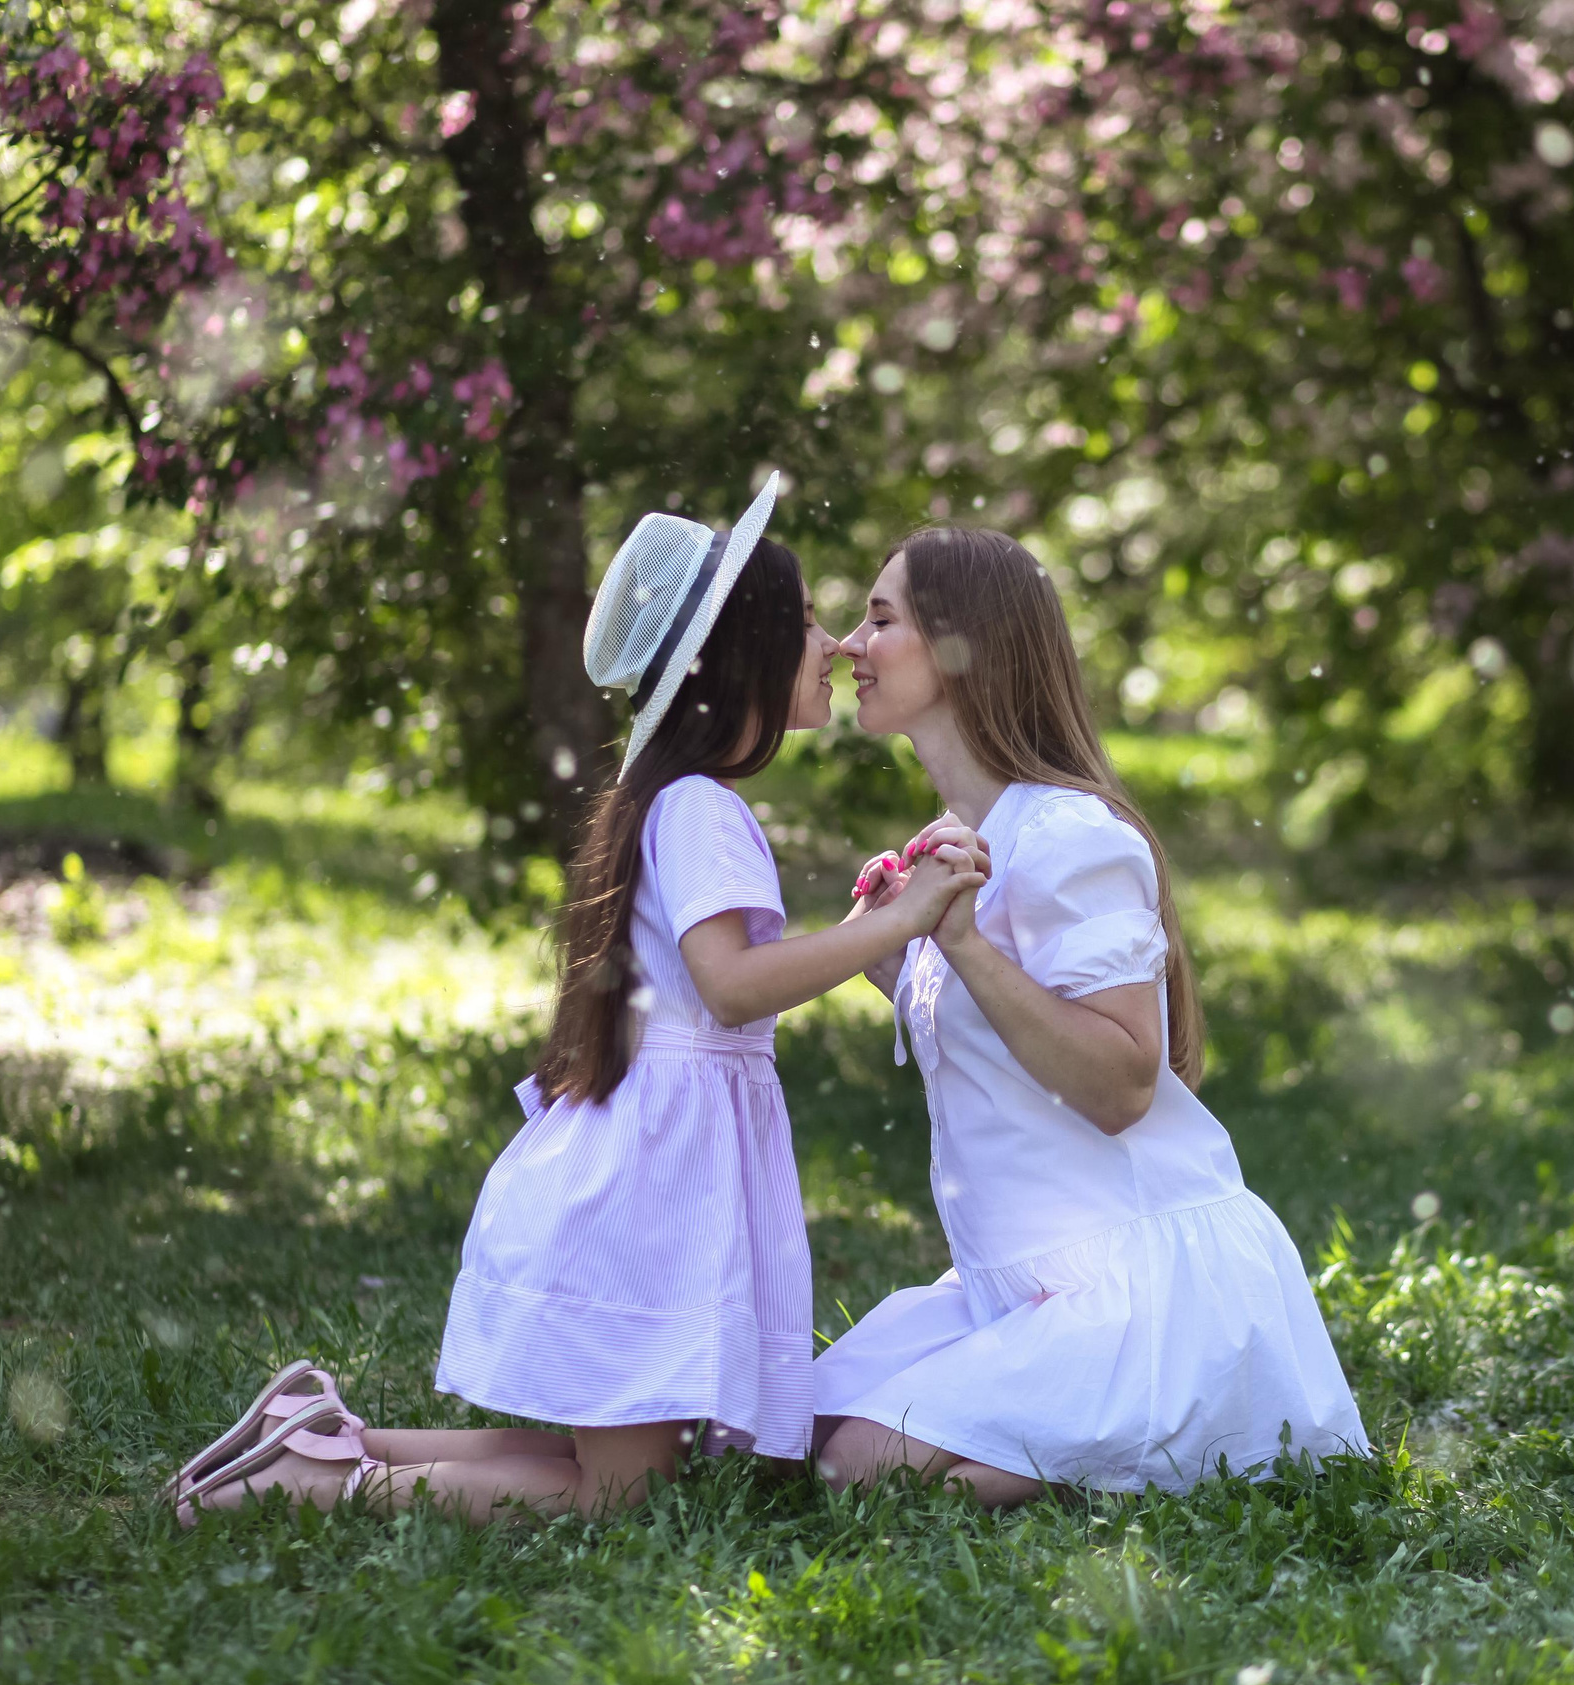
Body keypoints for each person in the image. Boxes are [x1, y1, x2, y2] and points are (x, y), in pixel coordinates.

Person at [166, 474, 985, 1525]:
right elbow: (729, 987)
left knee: (604, 1463)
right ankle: (319, 1485)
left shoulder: (678, 799)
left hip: (647, 1170)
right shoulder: (700, 806)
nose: (832, 644)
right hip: (651, 1190)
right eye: (810, 622)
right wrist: (899, 920)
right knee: (616, 1499)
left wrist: (876, 926)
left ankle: (326, 1434)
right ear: (737, 656)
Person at [811, 527, 1366, 1505]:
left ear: (957, 646)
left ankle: (1182, 1441)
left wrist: (965, 943)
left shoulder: (1071, 837)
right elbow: (999, 1050)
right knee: (795, 1427)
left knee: (860, 1470)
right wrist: (897, 955)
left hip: (1138, 1294)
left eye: (880, 618)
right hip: (1015, 1290)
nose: (853, 645)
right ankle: (1104, 1440)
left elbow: (1117, 1085)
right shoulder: (973, 839)